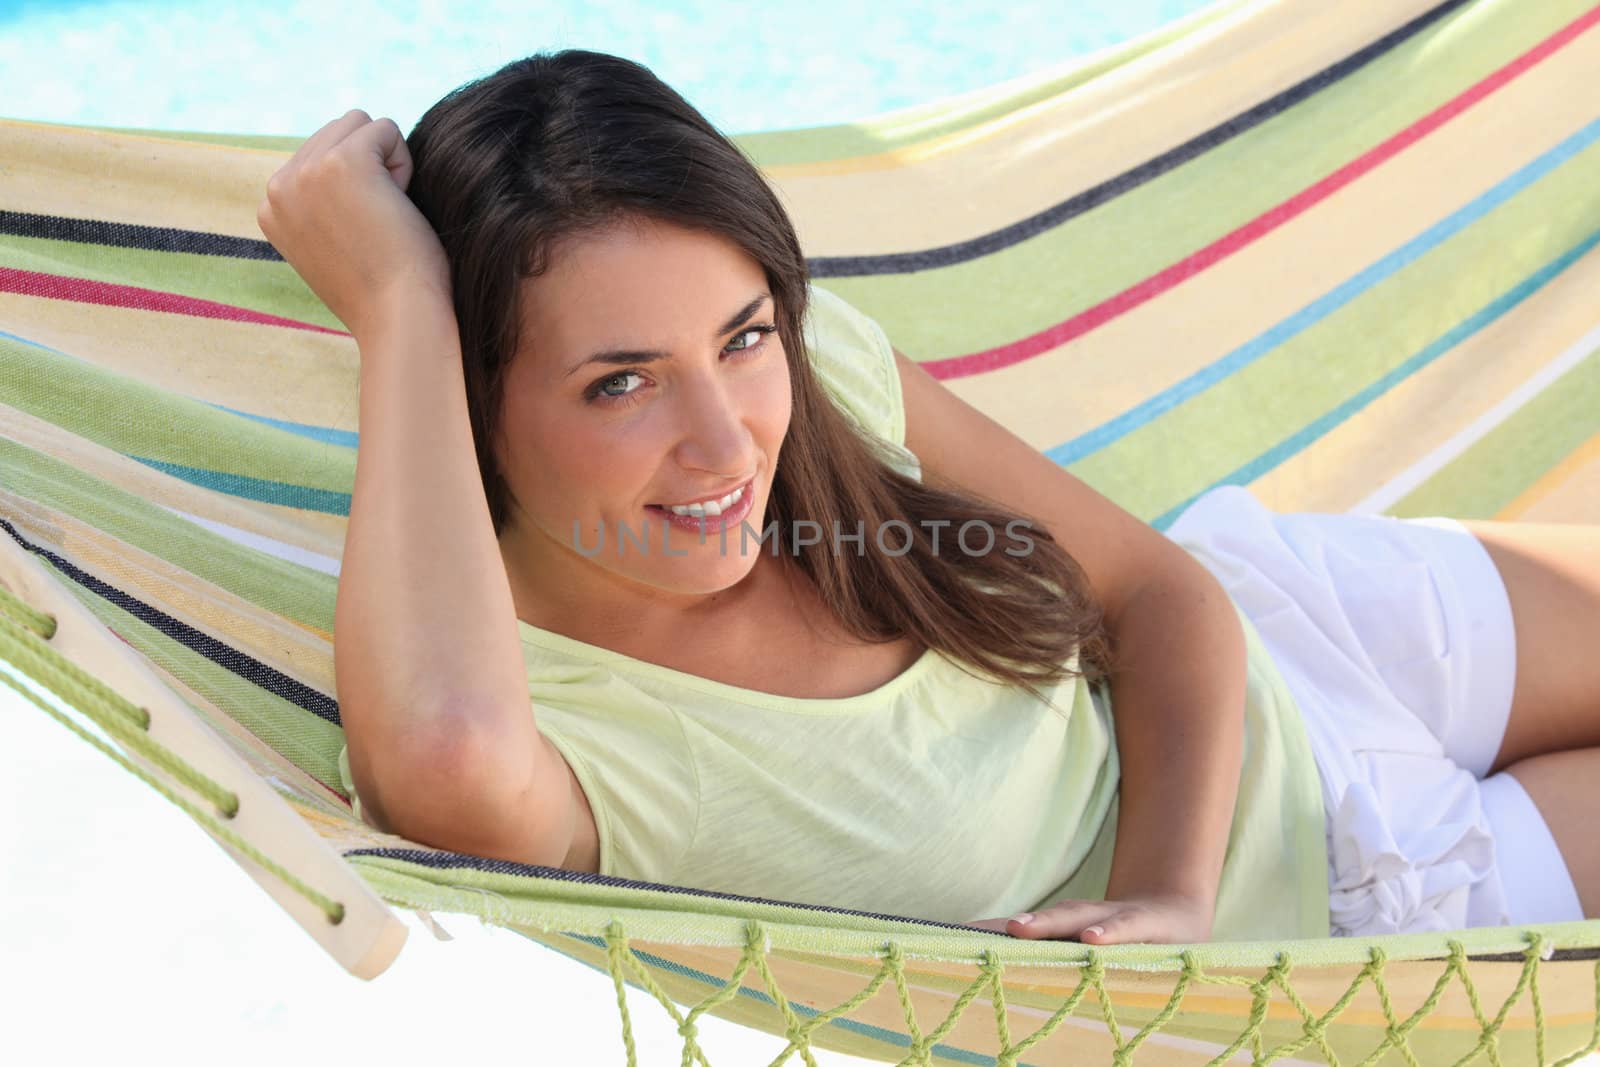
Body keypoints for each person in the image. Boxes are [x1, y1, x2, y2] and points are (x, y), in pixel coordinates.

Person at [256, 49, 1599, 946]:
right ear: (467, 396)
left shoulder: (819, 362)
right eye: (620, 384)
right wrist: (397, 299)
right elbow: (431, 756)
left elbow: (1153, 589)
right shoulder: (533, 730)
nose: (727, 444)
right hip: (1366, 915)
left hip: (1318, 638)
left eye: (741, 337)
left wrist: (1166, 894)